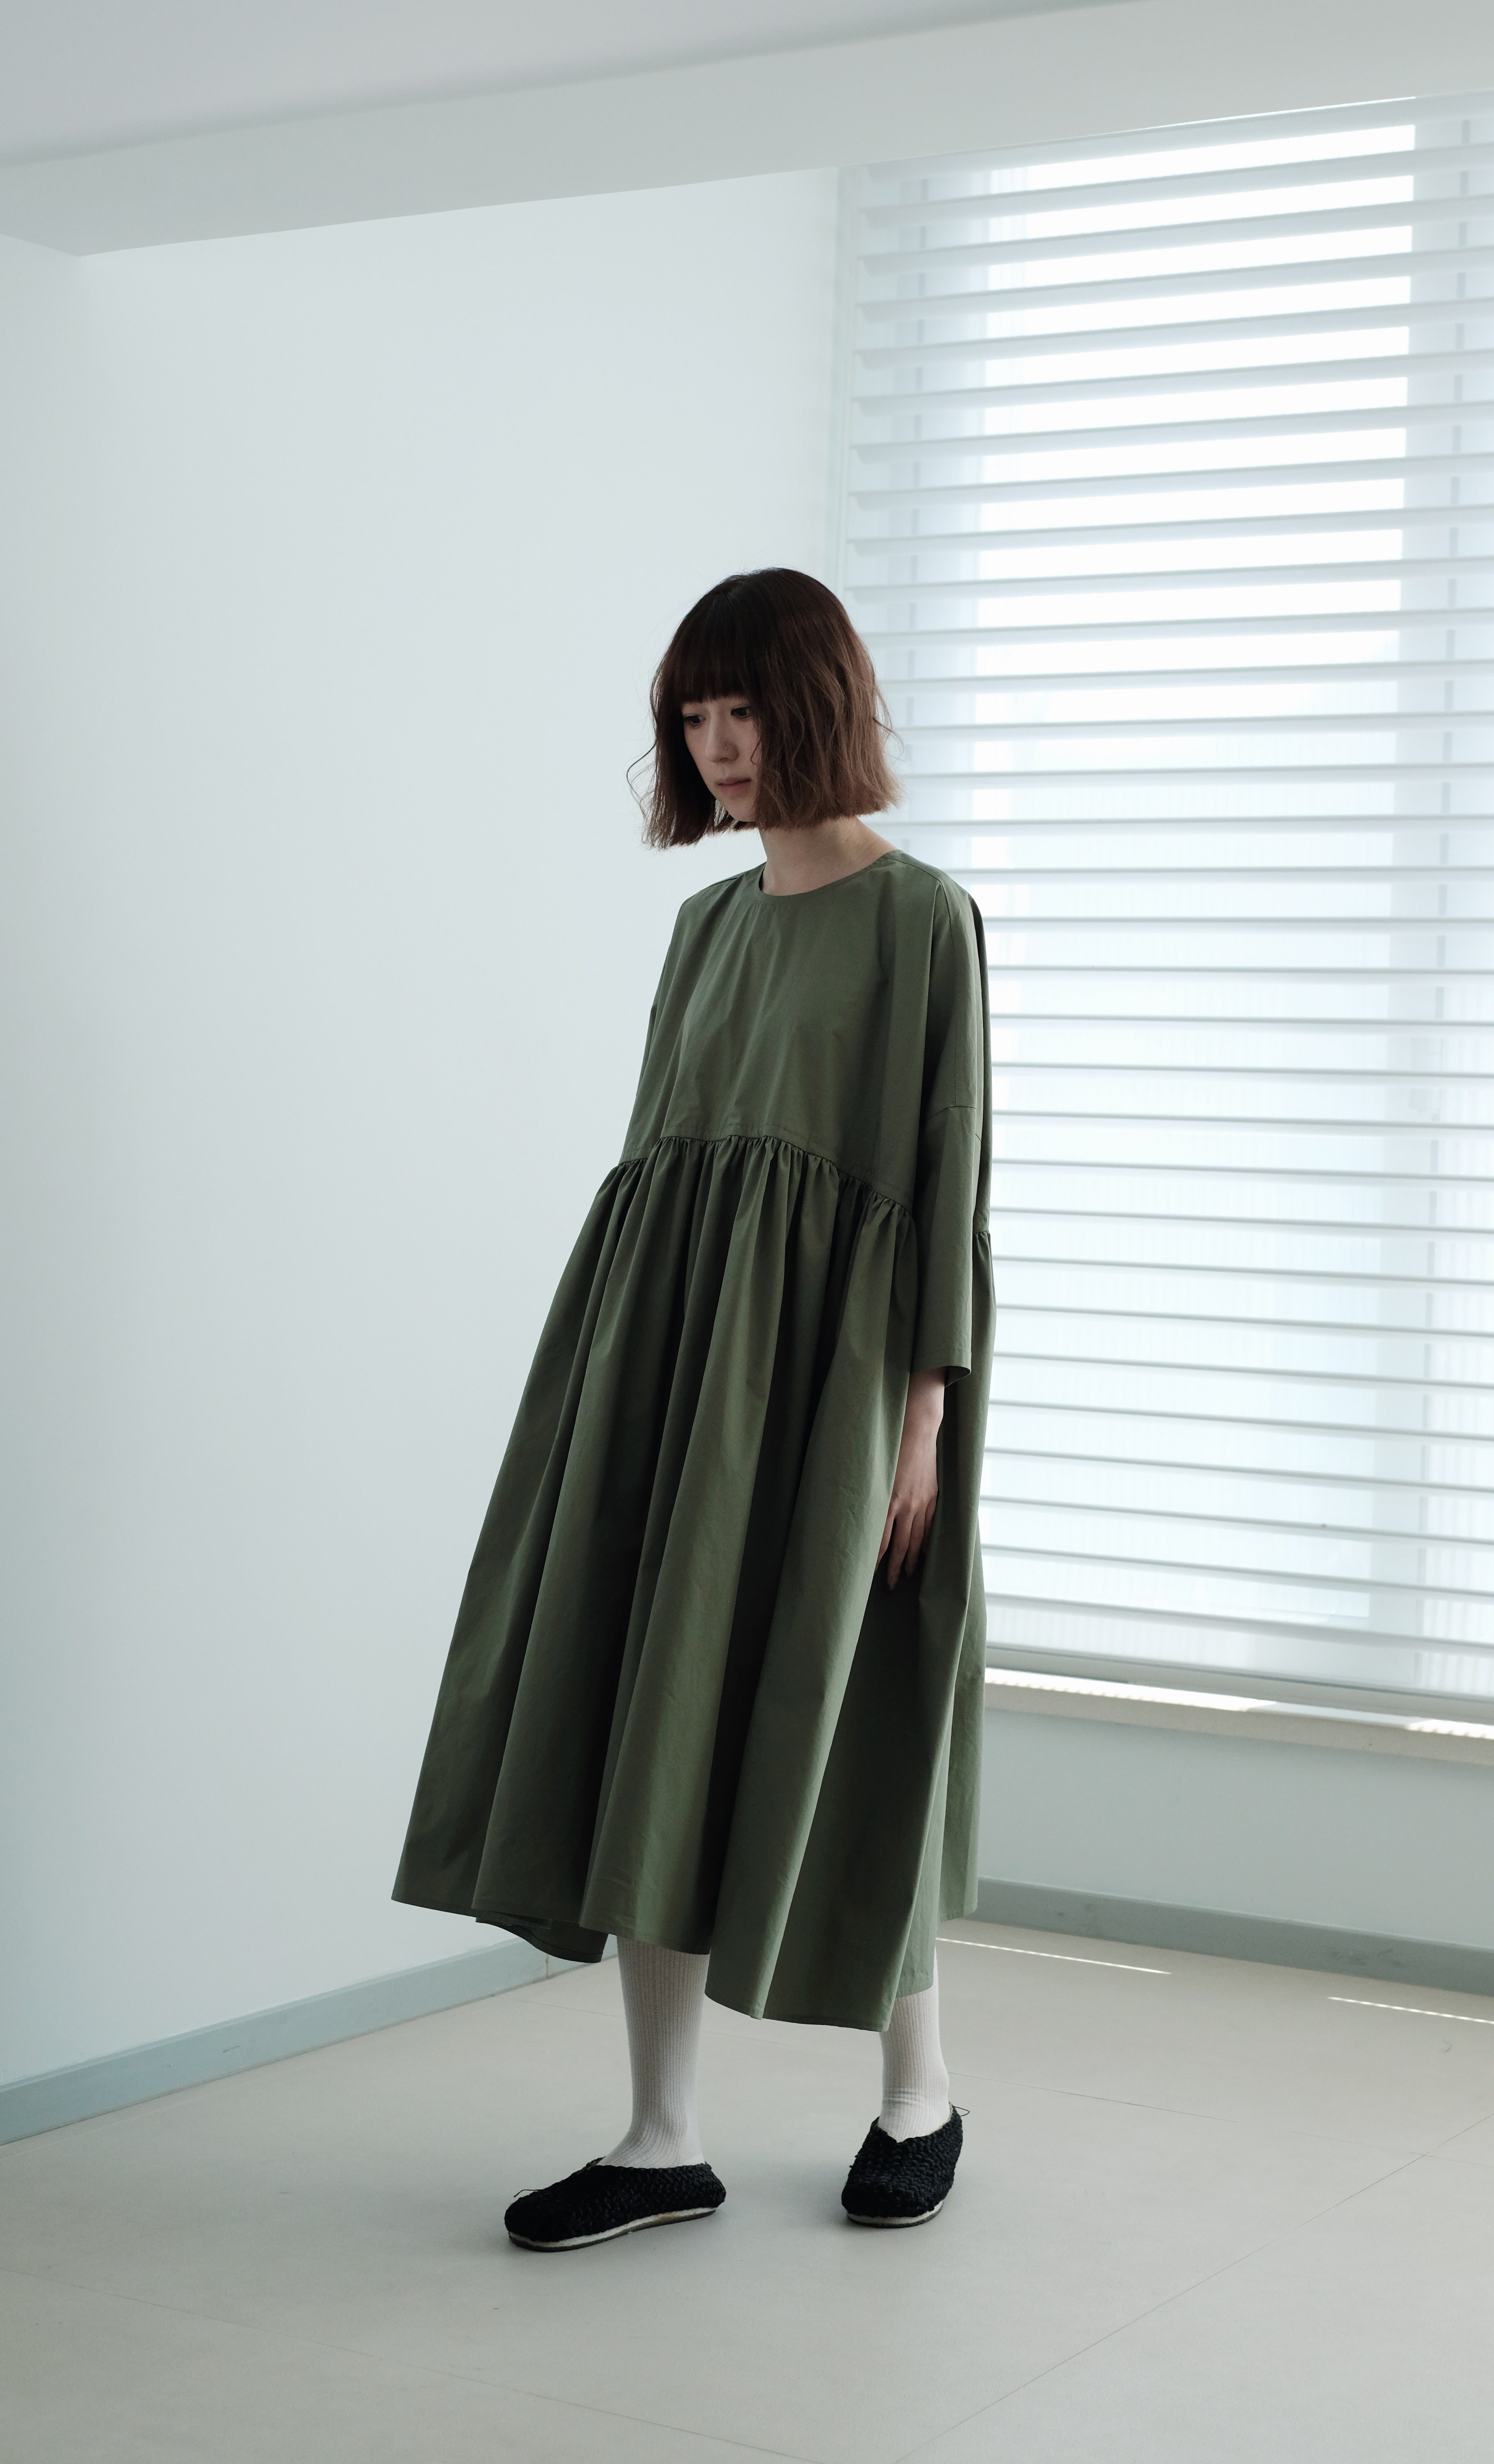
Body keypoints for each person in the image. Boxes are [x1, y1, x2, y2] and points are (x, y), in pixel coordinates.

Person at [392, 567, 993, 2250]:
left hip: (839, 1377)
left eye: (745, 711)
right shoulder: (707, 927)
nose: (719, 746)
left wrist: (922, 1422)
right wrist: (612, 1378)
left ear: (817, 708)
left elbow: (945, 1187)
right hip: (665, 1359)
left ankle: (920, 2096)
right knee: (648, 1708)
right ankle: (661, 2139)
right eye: (694, 718)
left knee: (842, 1709)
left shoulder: (923, 920)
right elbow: (665, 1173)